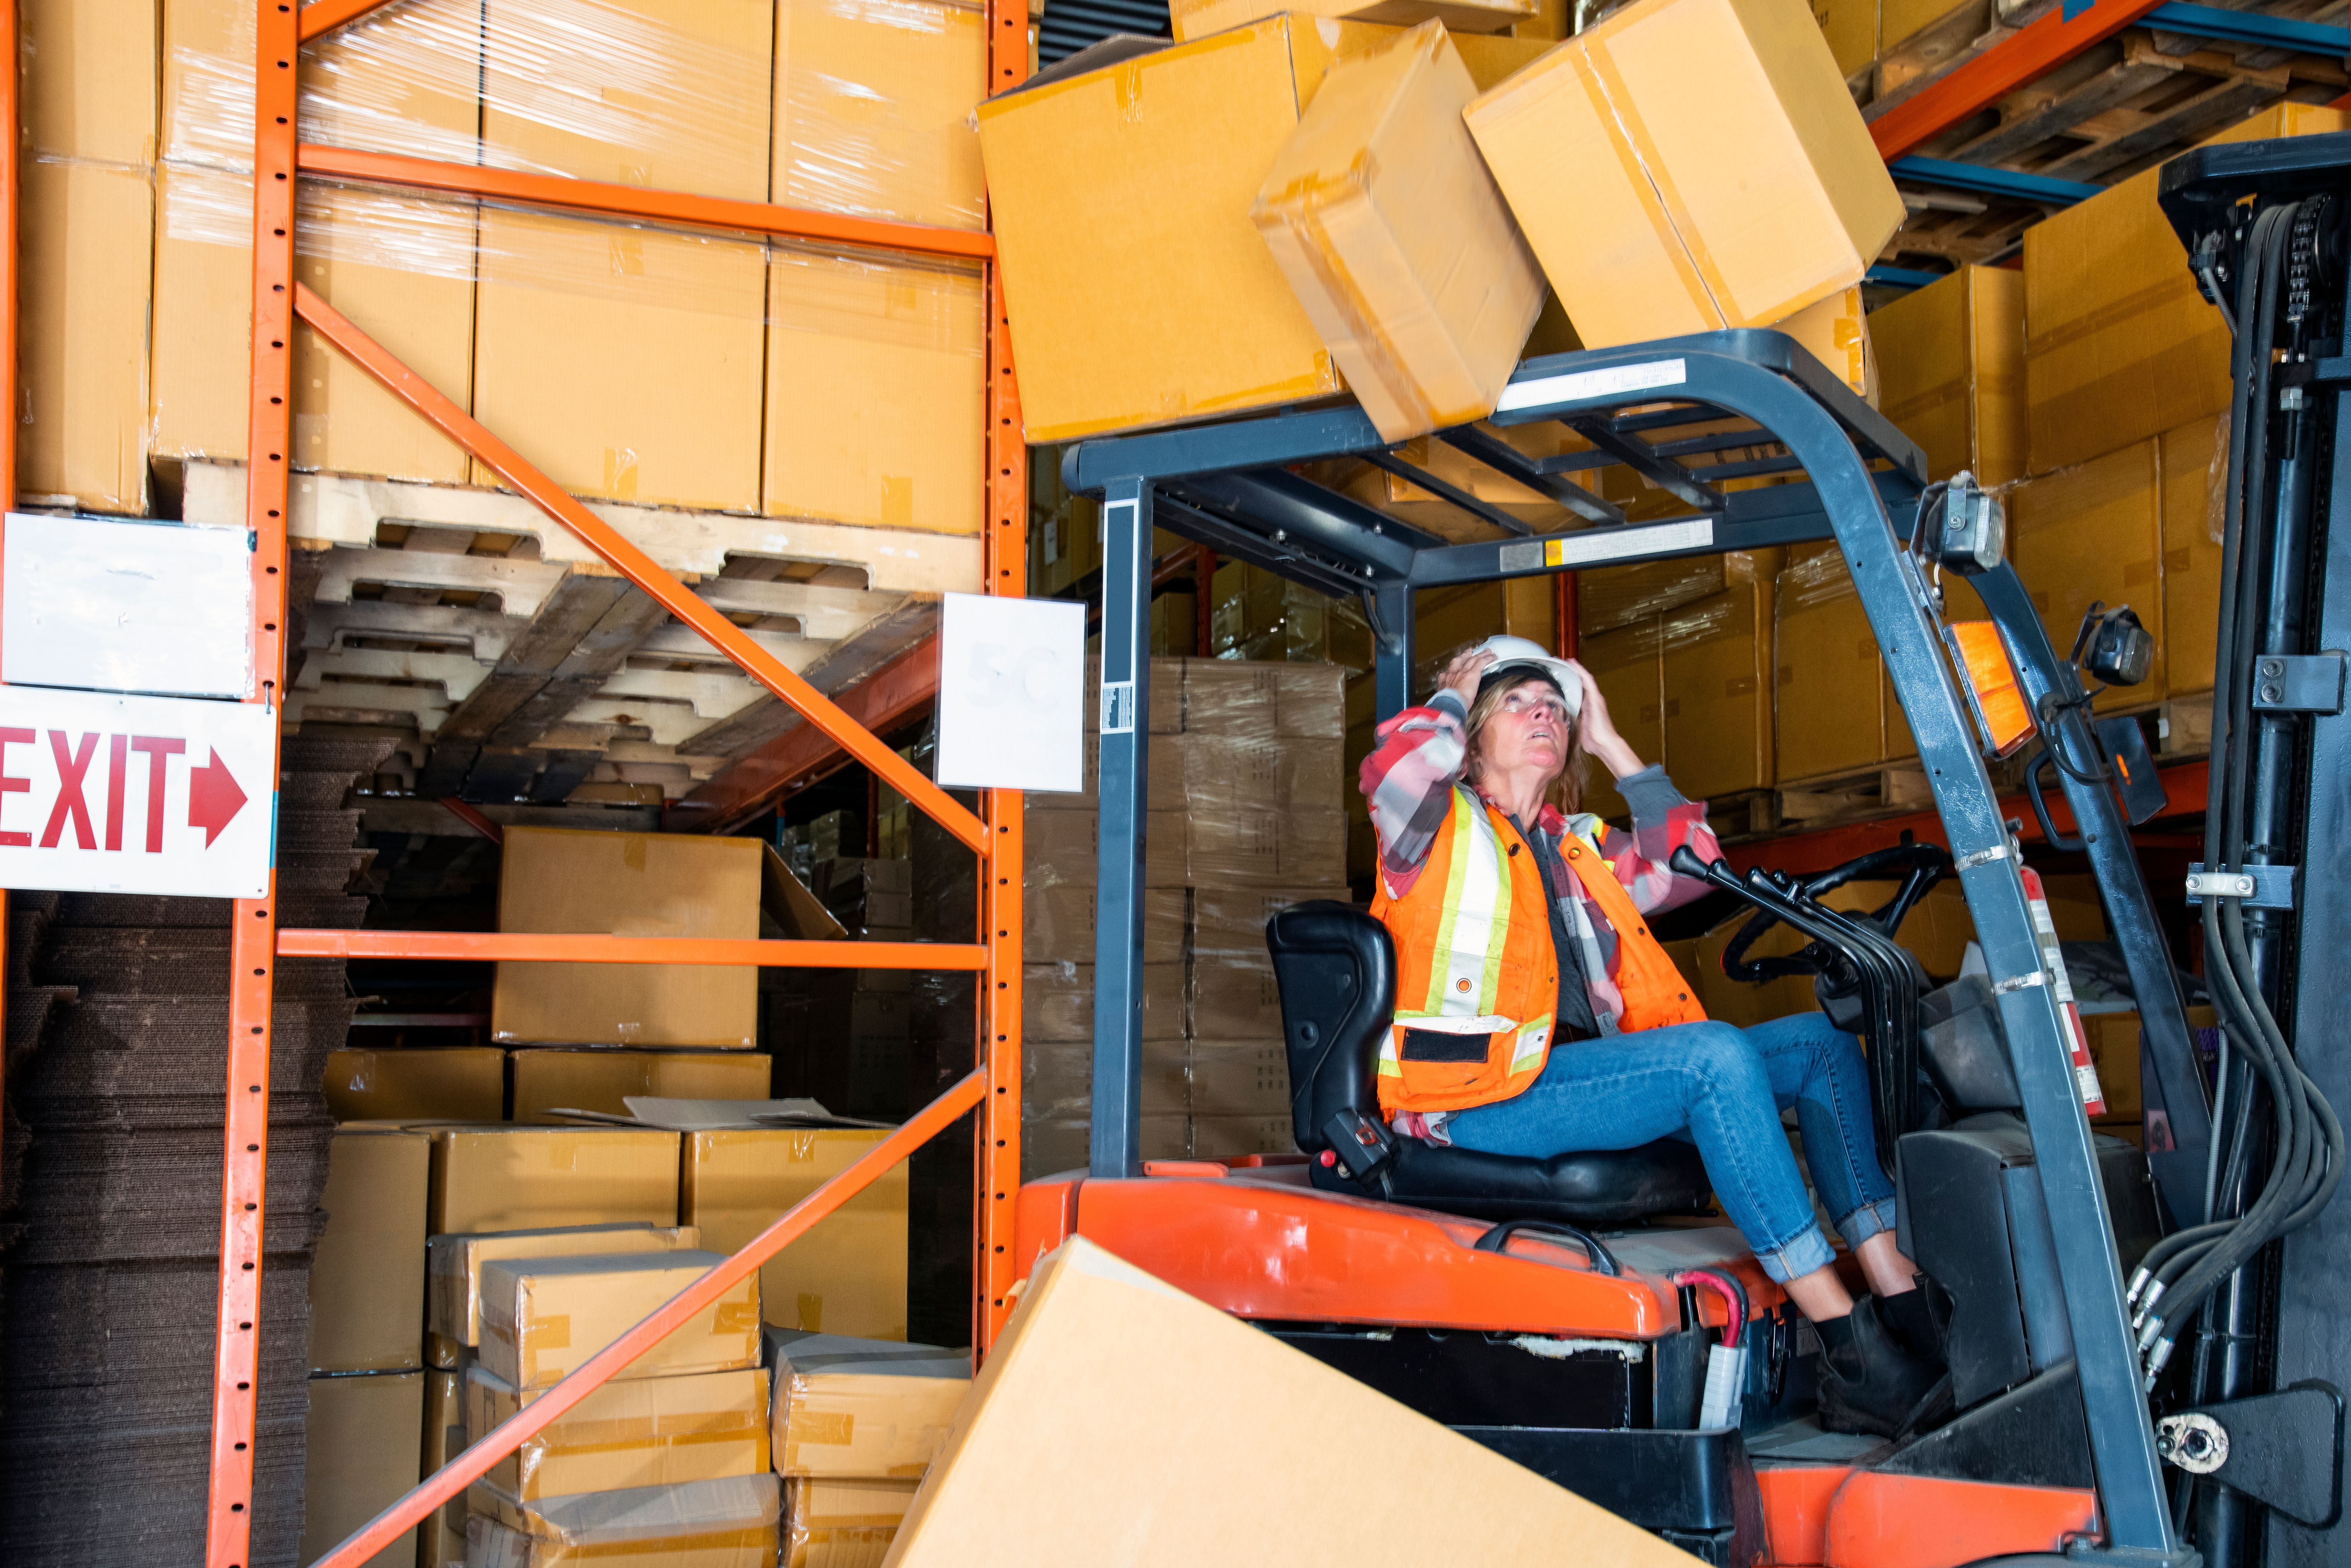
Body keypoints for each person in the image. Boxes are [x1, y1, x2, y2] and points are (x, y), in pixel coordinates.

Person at [1360, 633, 1946, 1438]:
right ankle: (1851, 1352)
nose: (1544, 713)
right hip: (1475, 1100)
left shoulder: (1577, 846)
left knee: (1818, 1048)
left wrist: (1607, 739)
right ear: (1470, 734)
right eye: (1517, 702)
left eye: (1554, 709)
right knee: (1711, 1057)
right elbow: (1398, 768)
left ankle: (1899, 1296)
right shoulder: (1426, 829)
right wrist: (1454, 694)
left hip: (1577, 1083)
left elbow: (1689, 859)